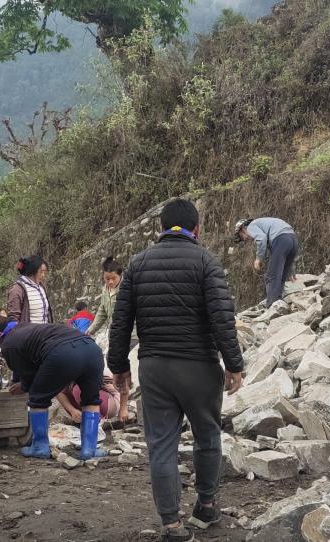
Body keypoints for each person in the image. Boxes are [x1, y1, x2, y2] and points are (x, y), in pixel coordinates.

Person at [109, 198, 244, 541]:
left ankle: (171, 524)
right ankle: (207, 505)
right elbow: (221, 319)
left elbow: (120, 323)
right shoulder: (206, 262)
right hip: (199, 366)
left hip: (154, 369)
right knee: (207, 435)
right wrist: (234, 364)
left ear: (161, 229)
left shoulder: (138, 265)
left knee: (162, 445)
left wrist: (119, 367)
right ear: (196, 229)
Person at [0, 317, 108, 460]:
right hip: (92, 350)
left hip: (63, 353)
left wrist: (24, 386)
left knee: (38, 398)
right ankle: (89, 450)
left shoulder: (8, 344)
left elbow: (27, 374)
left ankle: (39, 447)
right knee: (91, 400)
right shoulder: (28, 328)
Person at [233, 217, 298, 307]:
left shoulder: (251, 226)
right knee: (281, 275)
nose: (244, 240)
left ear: (243, 229)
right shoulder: (267, 229)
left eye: (241, 237)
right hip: (293, 239)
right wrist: (290, 271)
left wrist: (258, 258)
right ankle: (279, 303)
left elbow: (262, 239)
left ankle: (272, 305)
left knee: (271, 276)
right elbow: (284, 256)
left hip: (281, 239)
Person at [55, 365, 121, 422]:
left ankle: (96, 420)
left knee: (79, 388)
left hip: (110, 405)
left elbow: (120, 389)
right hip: (88, 405)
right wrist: (72, 410)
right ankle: (82, 418)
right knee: (61, 387)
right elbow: (58, 391)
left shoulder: (95, 365)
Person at [84, 256, 123, 337]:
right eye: (107, 279)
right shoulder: (105, 289)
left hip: (129, 334)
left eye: (114, 278)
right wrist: (91, 330)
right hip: (113, 333)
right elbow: (102, 311)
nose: (111, 282)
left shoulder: (127, 288)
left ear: (120, 275)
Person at [6, 255, 52, 324]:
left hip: (44, 332)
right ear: (33, 271)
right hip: (30, 333)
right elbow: (13, 318)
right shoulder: (17, 290)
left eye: (44, 272)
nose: (43, 275)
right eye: (41, 272)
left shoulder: (41, 287)